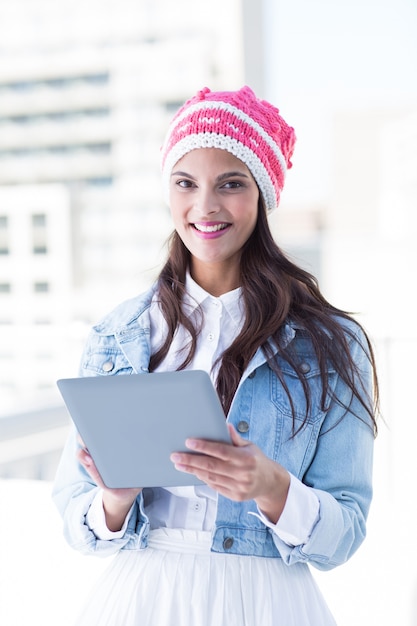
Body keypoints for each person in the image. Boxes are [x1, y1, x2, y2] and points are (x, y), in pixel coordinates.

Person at [52, 86, 379, 626]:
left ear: (263, 194)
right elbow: (75, 518)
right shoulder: (120, 335)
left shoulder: (332, 342)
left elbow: (346, 534)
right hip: (143, 599)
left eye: (230, 184)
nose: (204, 206)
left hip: (268, 603)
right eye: (185, 183)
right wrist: (113, 500)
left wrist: (274, 489)